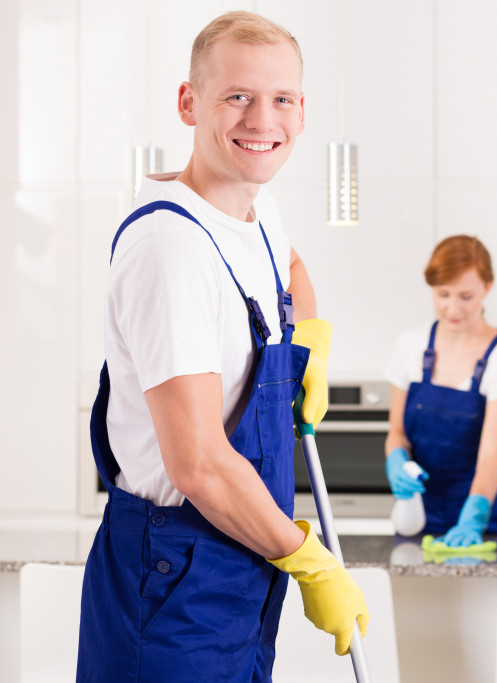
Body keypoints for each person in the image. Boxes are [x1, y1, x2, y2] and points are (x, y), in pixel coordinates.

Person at [77, 12, 368, 682]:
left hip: (237, 561)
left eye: (282, 99)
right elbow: (201, 464)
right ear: (190, 102)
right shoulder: (170, 249)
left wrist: (311, 341)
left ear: (302, 110)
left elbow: (290, 266)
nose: (261, 119)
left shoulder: (254, 208)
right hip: (172, 575)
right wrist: (310, 558)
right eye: (237, 96)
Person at [384, 235, 497, 547]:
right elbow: (397, 431)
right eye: (442, 294)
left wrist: (472, 518)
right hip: (418, 516)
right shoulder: (410, 345)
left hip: (481, 516)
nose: (452, 308)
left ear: (487, 287)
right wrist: (395, 458)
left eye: (465, 296)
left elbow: (492, 456)